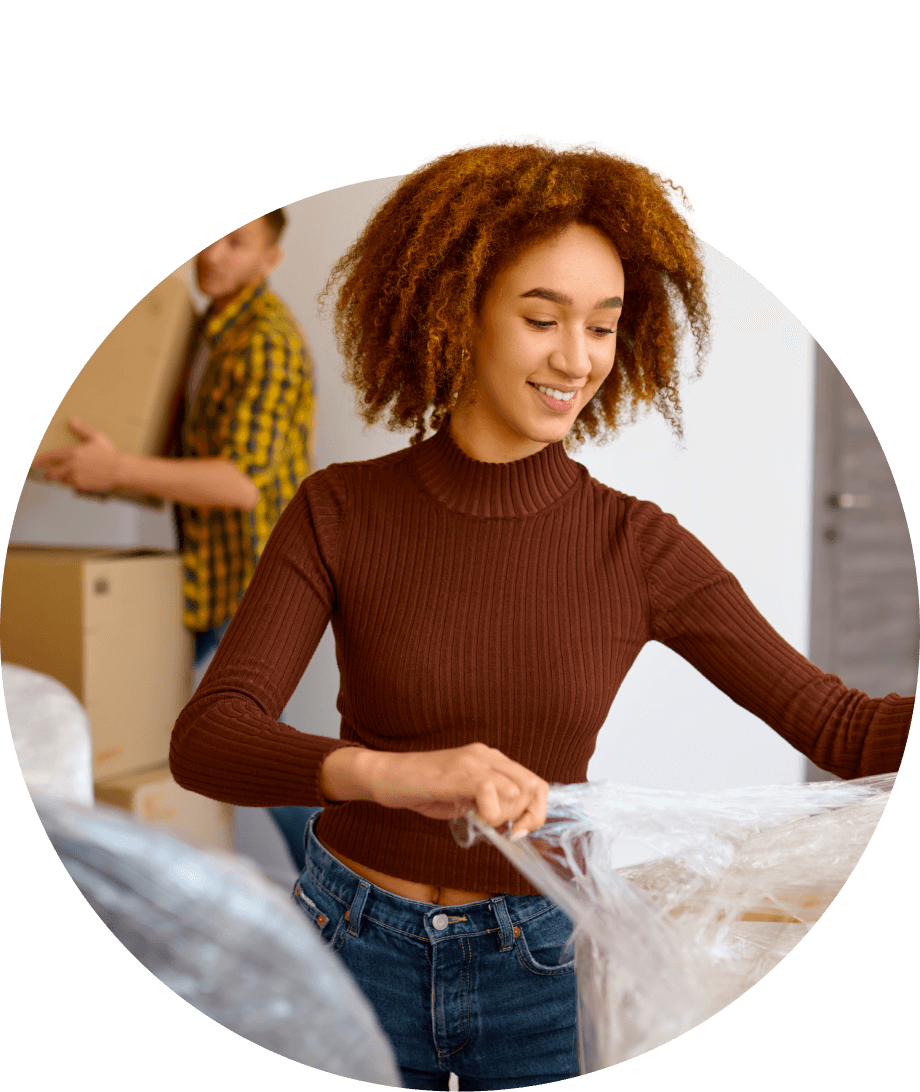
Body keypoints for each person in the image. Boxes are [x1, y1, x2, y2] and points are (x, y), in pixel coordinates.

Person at [167, 139, 913, 1090]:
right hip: (347, 938)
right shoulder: (340, 509)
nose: (577, 359)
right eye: (540, 317)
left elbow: (841, 730)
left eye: (604, 326)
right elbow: (210, 738)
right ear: (455, 310)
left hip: (542, 960)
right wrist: (395, 777)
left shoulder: (637, 545)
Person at [30, 210, 317, 869]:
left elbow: (240, 482)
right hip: (210, 579)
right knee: (217, 743)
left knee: (252, 751)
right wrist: (112, 471)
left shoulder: (262, 341)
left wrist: (121, 470)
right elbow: (195, 465)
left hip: (255, 582)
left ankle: (338, 895)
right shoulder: (211, 330)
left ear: (270, 260)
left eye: (237, 242)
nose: (213, 255)